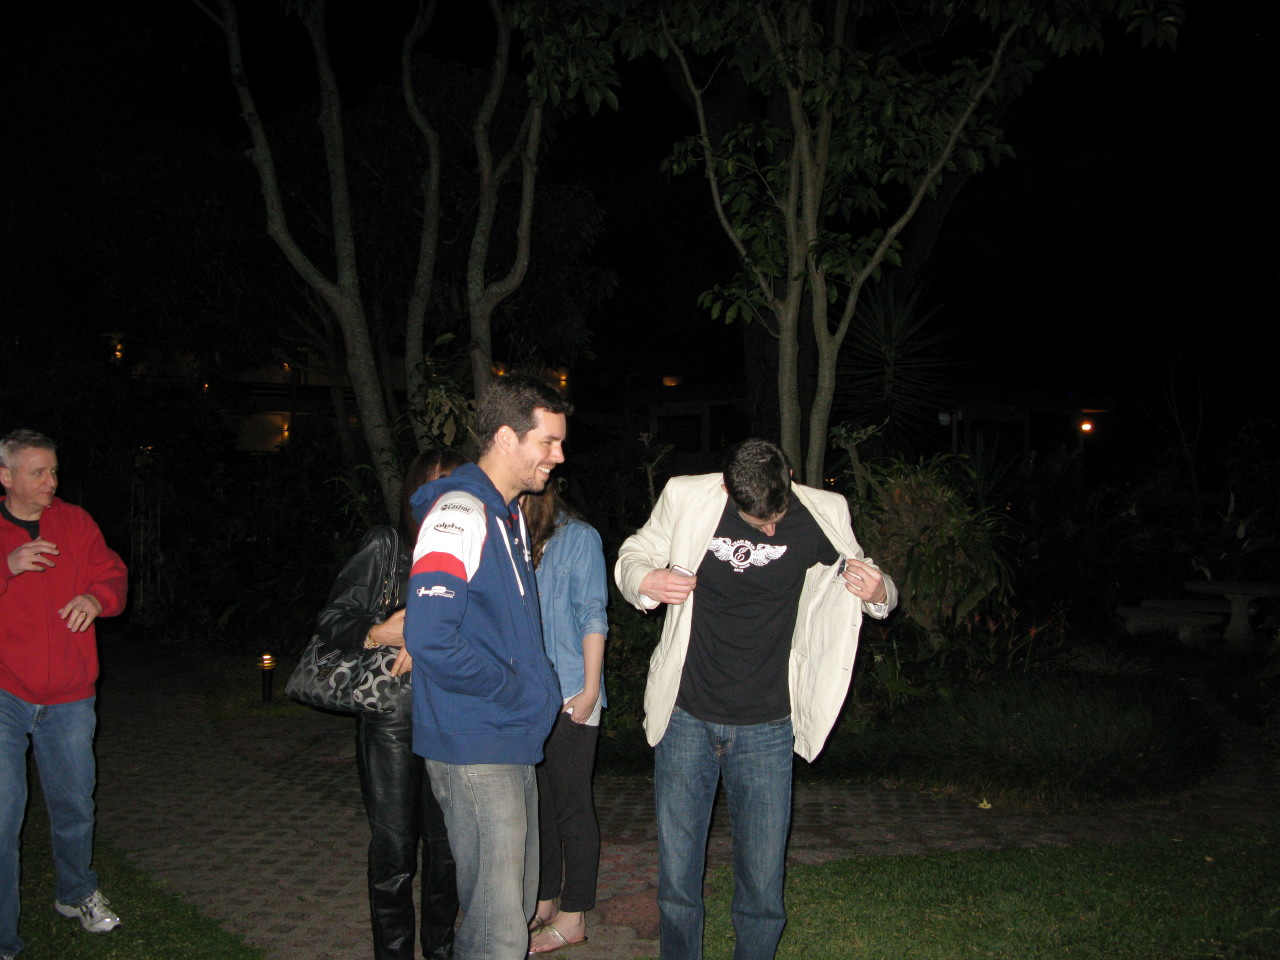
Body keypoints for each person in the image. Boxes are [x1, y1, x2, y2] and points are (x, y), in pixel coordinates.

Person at [614, 438, 897, 960]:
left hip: (768, 724)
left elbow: (873, 577)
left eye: (776, 518)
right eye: (756, 521)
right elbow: (634, 553)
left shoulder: (825, 511)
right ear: (727, 489)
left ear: (789, 479)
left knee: (763, 886)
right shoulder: (686, 496)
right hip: (685, 716)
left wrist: (880, 594)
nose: (769, 530)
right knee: (678, 881)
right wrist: (644, 579)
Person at [405, 374, 573, 960]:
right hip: (476, 739)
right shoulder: (459, 513)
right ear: (505, 437)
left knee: (514, 909)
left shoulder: (508, 516)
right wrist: (516, 690)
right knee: (496, 929)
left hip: (509, 736)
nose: (559, 455)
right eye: (547, 441)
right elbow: (430, 637)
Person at [314, 448, 466, 960]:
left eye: (458, 485)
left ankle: (441, 948)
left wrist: (432, 637)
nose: (447, 496)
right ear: (415, 492)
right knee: (394, 850)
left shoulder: (474, 553)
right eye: (437, 484)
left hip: (452, 716)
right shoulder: (387, 545)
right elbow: (333, 619)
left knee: (448, 851)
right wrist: (377, 632)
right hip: (391, 717)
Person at [1, 429, 129, 960]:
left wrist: (96, 599)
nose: (50, 481)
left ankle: (75, 893)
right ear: (6, 476)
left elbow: (113, 574)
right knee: (3, 814)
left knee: (75, 804)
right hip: (6, 692)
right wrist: (7, 566)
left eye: (53, 471)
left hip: (71, 695)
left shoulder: (75, 522)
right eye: (38, 472)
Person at [522, 484, 608, 955]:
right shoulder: (517, 539)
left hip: (574, 690)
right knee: (540, 807)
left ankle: (574, 916)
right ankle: (545, 899)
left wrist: (590, 690)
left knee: (572, 807)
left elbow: (593, 613)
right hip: (530, 697)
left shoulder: (580, 538)